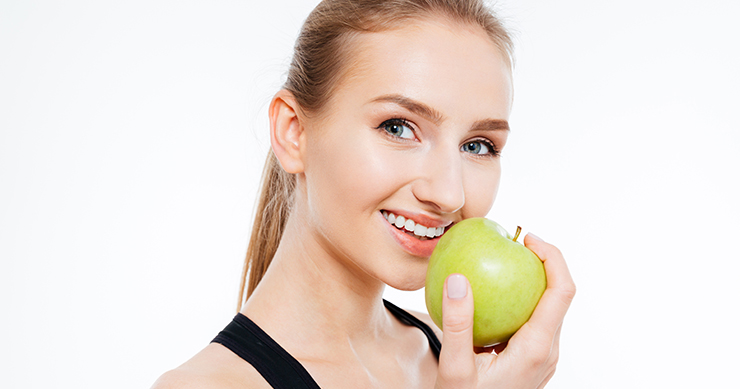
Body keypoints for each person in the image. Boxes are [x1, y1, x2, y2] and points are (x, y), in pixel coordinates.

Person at [152, 0, 575, 387]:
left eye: (477, 145)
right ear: (294, 132)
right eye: (397, 127)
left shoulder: (464, 358)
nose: (449, 194)